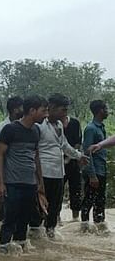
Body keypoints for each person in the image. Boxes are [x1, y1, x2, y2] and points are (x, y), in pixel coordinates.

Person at [0, 95, 48, 253]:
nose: (46, 115)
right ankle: (3, 250)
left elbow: (36, 157)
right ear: (32, 111)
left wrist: (40, 185)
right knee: (9, 219)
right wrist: (0, 183)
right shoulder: (10, 129)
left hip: (30, 184)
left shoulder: (36, 131)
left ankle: (21, 250)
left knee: (24, 219)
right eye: (43, 111)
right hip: (12, 183)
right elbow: (0, 156)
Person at [31, 94, 86, 238]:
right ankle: (35, 236)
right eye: (63, 110)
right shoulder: (39, 126)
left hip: (58, 173)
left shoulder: (59, 125)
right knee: (40, 208)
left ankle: (50, 235)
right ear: (53, 108)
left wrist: (79, 155)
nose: (65, 113)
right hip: (43, 173)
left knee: (55, 208)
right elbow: (33, 151)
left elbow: (64, 145)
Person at [0, 96, 23, 222]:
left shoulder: (24, 126)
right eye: (22, 107)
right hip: (4, 171)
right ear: (15, 110)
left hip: (19, 172)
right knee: (1, 203)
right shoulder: (0, 127)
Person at [81, 100, 109, 232]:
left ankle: (99, 226)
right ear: (100, 111)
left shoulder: (101, 127)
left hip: (102, 169)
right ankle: (84, 227)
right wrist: (92, 175)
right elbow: (87, 153)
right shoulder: (91, 129)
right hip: (94, 171)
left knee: (100, 200)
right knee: (88, 200)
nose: (108, 111)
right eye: (106, 108)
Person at [62, 113, 83, 221]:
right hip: (57, 163)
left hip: (73, 161)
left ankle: (75, 218)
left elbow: (78, 143)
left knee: (76, 189)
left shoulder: (75, 123)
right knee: (57, 190)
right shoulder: (54, 124)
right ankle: (56, 217)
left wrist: (69, 158)